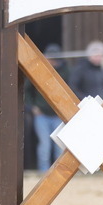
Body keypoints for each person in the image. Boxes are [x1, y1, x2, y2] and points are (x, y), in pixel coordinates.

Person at [26, 43, 69, 171]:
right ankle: (43, 172)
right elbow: (27, 90)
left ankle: (59, 172)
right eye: (51, 59)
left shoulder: (66, 71)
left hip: (59, 114)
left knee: (59, 146)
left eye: (55, 60)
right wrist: (32, 106)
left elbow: (71, 90)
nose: (53, 63)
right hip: (42, 114)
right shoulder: (39, 69)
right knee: (44, 145)